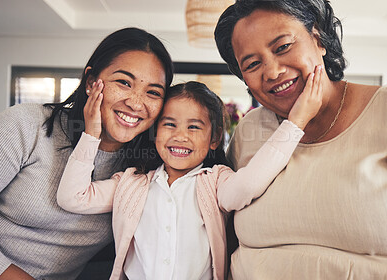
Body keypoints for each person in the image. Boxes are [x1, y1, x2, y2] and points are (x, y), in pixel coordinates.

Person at [56, 78, 322, 280]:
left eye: (194, 127)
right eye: (169, 124)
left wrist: (295, 123)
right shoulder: (130, 183)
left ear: (215, 138)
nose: (180, 136)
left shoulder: (215, 181)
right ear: (154, 132)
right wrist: (91, 134)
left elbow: (249, 185)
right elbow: (72, 197)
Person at [215, 0, 387, 278]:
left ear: (318, 38)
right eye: (252, 63)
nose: (272, 72)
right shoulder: (249, 129)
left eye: (282, 47)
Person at [0, 27, 173, 280]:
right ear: (90, 82)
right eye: (123, 82)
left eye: (153, 92)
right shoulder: (26, 125)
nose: (136, 103)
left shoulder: (148, 168)